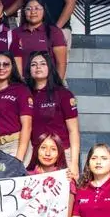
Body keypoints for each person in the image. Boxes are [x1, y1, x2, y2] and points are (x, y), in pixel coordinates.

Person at [27, 51, 81, 179]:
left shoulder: (63, 94)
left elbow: (74, 131)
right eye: (33, 64)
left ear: (50, 67)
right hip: (36, 153)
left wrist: (74, 163)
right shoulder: (25, 94)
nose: (38, 67)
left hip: (62, 152)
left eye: (42, 64)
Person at [0, 53, 33, 162]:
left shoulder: (21, 90)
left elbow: (27, 126)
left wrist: (19, 159)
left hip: (13, 146)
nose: (1, 68)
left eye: (6, 64)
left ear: (12, 67)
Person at [14, 0, 69, 82]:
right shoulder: (15, 33)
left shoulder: (54, 32)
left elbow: (61, 63)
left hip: (46, 84)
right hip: (21, 84)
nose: (33, 12)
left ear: (44, 11)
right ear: (24, 12)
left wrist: (57, 86)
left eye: (37, 8)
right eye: (28, 9)